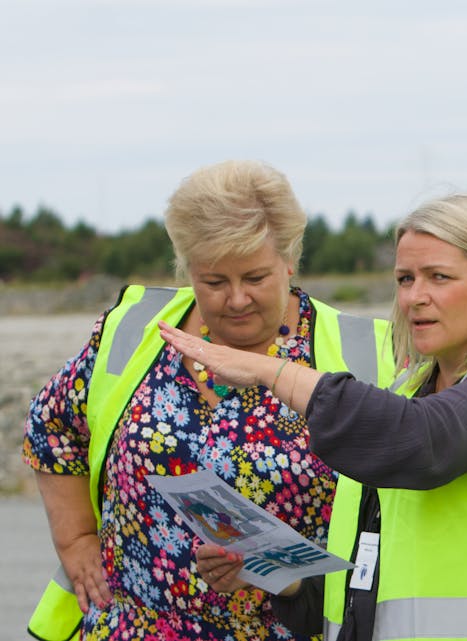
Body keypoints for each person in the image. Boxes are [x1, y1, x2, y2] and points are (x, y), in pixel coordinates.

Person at [160, 193, 467, 641]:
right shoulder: (408, 392)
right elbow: (363, 592)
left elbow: (420, 442)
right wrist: (278, 572)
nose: (415, 297)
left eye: (439, 277)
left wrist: (267, 369)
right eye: (405, 278)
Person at [23, 160, 394, 641]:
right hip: (133, 627)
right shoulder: (136, 328)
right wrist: (75, 540)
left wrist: (276, 568)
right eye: (214, 282)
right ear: (186, 267)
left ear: (289, 260)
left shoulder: (362, 353)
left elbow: (394, 514)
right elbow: (52, 427)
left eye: (255, 278)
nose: (236, 299)